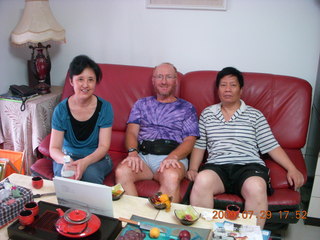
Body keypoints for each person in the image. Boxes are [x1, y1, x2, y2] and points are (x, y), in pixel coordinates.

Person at [187, 67, 304, 228]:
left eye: (233, 85)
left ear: (241, 90)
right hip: (217, 168)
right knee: (202, 180)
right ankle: (203, 233)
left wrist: (292, 168)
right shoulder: (208, 114)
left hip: (248, 167)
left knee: (257, 187)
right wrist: (193, 168)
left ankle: (250, 236)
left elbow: (271, 145)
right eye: (223, 85)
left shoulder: (255, 115)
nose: (227, 89)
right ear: (218, 89)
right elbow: (200, 145)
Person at [115, 63, 199, 203]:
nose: (164, 81)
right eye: (159, 77)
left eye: (168, 77)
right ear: (153, 81)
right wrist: (132, 152)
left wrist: (172, 157)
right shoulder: (141, 104)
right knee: (121, 172)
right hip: (143, 157)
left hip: (172, 156)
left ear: (175, 80)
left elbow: (190, 140)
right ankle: (134, 218)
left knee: (171, 176)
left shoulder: (187, 108)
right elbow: (131, 132)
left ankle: (160, 223)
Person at [50, 55, 114, 184]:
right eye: (80, 79)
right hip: (67, 157)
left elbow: (103, 146)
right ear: (71, 81)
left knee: (91, 175)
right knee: (65, 176)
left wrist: (84, 162)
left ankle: (93, 205)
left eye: (91, 79)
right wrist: (67, 161)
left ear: (96, 82)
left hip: (95, 158)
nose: (85, 85)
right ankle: (65, 205)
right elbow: (54, 148)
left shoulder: (105, 108)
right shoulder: (61, 110)